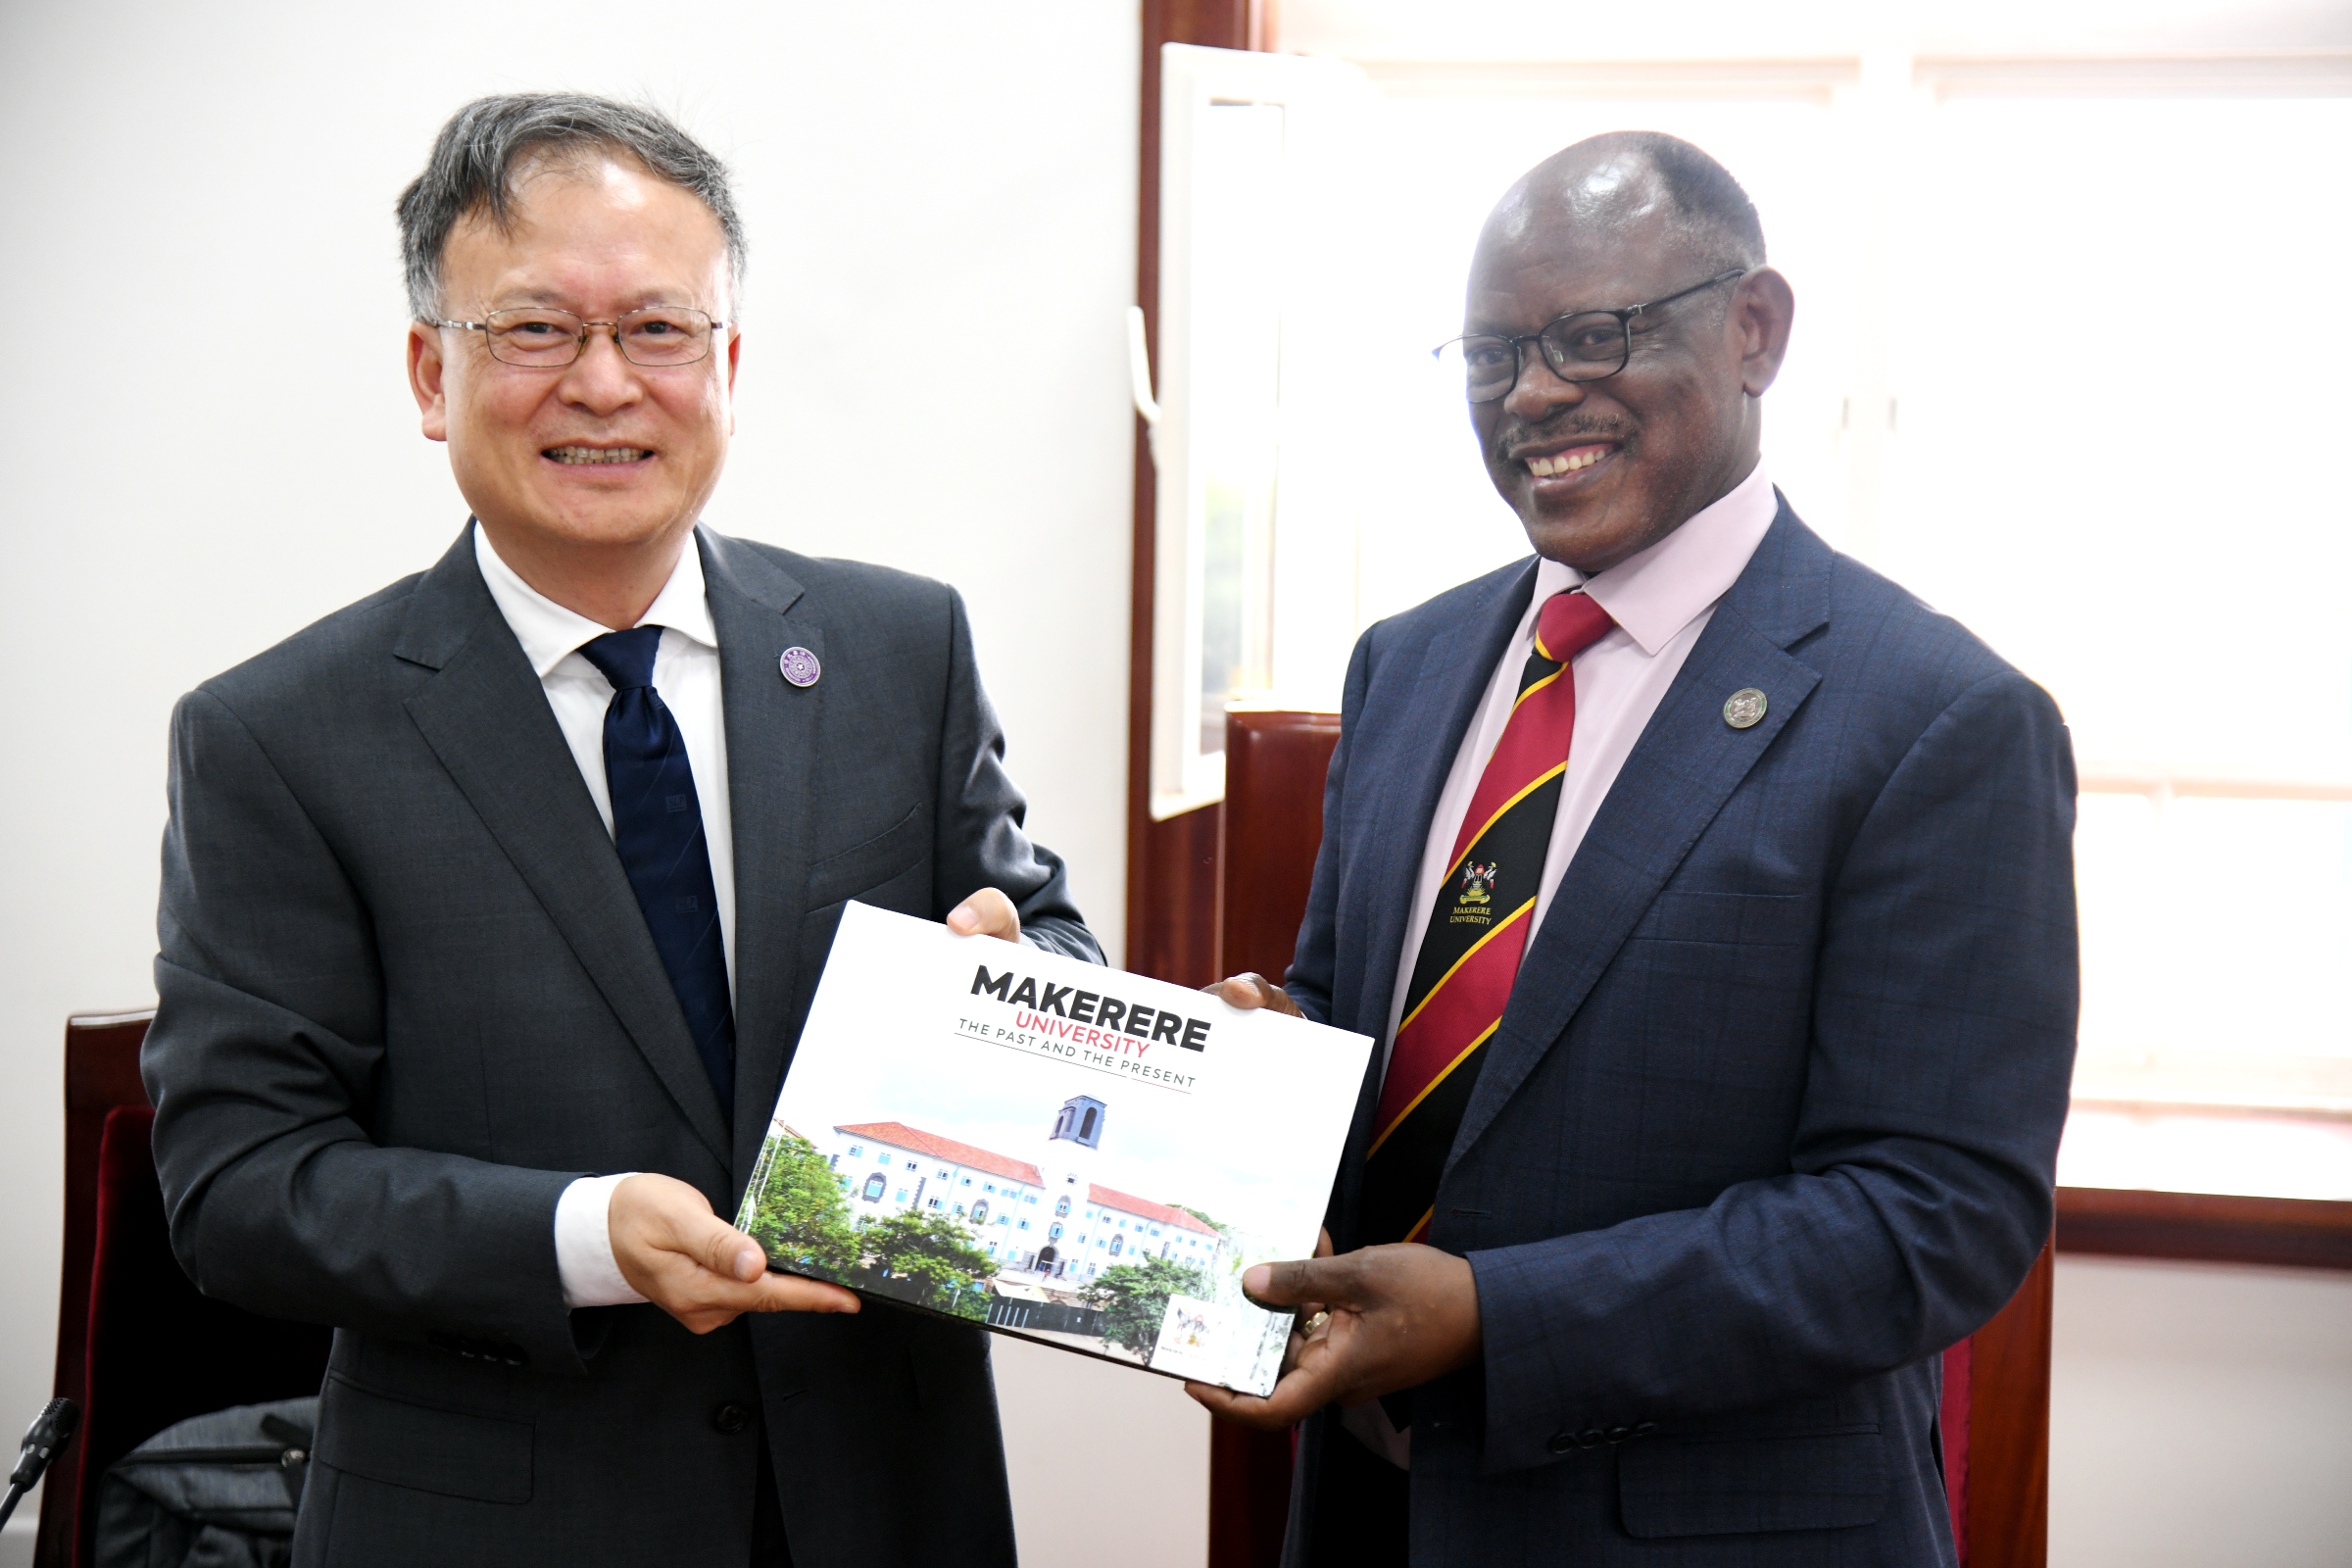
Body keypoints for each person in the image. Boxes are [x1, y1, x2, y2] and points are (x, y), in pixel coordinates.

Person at [142, 93, 1097, 1568]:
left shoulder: (901, 649)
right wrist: (584, 1236)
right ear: (427, 371)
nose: (603, 385)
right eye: (533, 330)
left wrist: (1027, 990)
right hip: (503, 1522)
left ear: (727, 363)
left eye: (658, 330)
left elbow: (1043, 938)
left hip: (887, 1496)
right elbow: (242, 1191)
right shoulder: (277, 735)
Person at [1189, 131, 2078, 1566]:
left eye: (1594, 336)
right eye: (1492, 356)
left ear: (1755, 331)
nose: (1536, 394)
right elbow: (1373, 1024)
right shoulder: (1407, 665)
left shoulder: (1937, 719)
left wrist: (1495, 1318)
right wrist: (1268, 1052)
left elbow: (1935, 1218)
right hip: (1369, 1513)